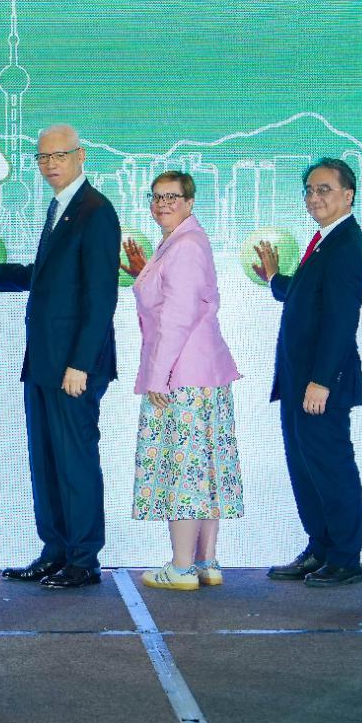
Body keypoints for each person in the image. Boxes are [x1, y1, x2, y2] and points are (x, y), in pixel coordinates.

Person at [0, 124, 120, 590]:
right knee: (47, 462)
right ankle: (55, 551)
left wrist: (80, 363)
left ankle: (84, 559)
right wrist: (0, 271)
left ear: (81, 155)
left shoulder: (96, 211)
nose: (51, 164)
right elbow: (52, 275)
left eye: (60, 155)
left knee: (74, 462)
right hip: (44, 362)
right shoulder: (61, 207)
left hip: (73, 367)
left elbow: (100, 296)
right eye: (43, 157)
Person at [120, 172, 243, 591]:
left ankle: (182, 567)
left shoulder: (186, 245)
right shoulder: (182, 241)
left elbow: (177, 316)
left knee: (184, 471)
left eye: (172, 197)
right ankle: (205, 563)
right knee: (203, 468)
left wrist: (158, 377)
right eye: (156, 197)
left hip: (182, 376)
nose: (162, 204)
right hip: (200, 374)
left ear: (190, 202)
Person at [252, 157, 362, 588]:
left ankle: (345, 559)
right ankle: (320, 549)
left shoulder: (346, 243)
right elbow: (304, 297)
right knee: (305, 468)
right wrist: (275, 279)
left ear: (347, 195)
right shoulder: (323, 240)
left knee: (331, 468)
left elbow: (341, 319)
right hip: (298, 381)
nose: (314, 198)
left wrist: (323, 381)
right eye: (309, 190)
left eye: (324, 190)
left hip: (320, 384)